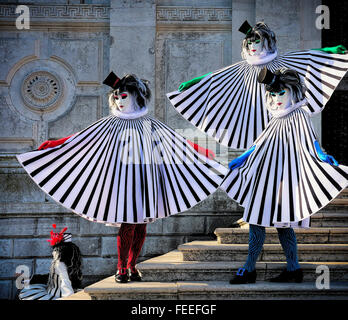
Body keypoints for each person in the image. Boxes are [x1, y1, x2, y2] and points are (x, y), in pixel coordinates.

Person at [16, 72, 228, 283]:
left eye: (123, 96)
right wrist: (56, 144)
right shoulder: (111, 123)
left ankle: (132, 265)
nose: (119, 101)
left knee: (141, 225)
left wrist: (201, 150)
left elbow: (175, 140)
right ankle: (121, 268)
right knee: (128, 223)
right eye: (116, 97)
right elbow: (82, 138)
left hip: (146, 180)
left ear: (136, 96)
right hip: (123, 182)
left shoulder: (149, 123)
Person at [220, 67, 348, 283]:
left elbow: (311, 141)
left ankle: (280, 269)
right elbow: (260, 143)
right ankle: (271, 268)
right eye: (273, 94)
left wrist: (322, 156)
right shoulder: (275, 118)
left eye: (282, 93)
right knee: (257, 220)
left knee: (280, 224)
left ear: (292, 92)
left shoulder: (299, 114)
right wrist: (242, 158)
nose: (277, 98)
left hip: (284, 179)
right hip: (265, 176)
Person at [166, 20, 348, 150]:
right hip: (252, 107)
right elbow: (215, 78)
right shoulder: (240, 69)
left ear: (266, 42)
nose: (253, 45)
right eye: (250, 42)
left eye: (257, 41)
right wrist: (194, 83)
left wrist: (330, 52)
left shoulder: (284, 63)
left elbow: (307, 57)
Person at [18, 224, 82, 299]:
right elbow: (51, 276)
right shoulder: (62, 262)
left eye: (55, 250)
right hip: (49, 291)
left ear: (61, 252)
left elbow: (65, 281)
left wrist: (68, 298)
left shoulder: (60, 264)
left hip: (57, 295)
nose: (53, 252)